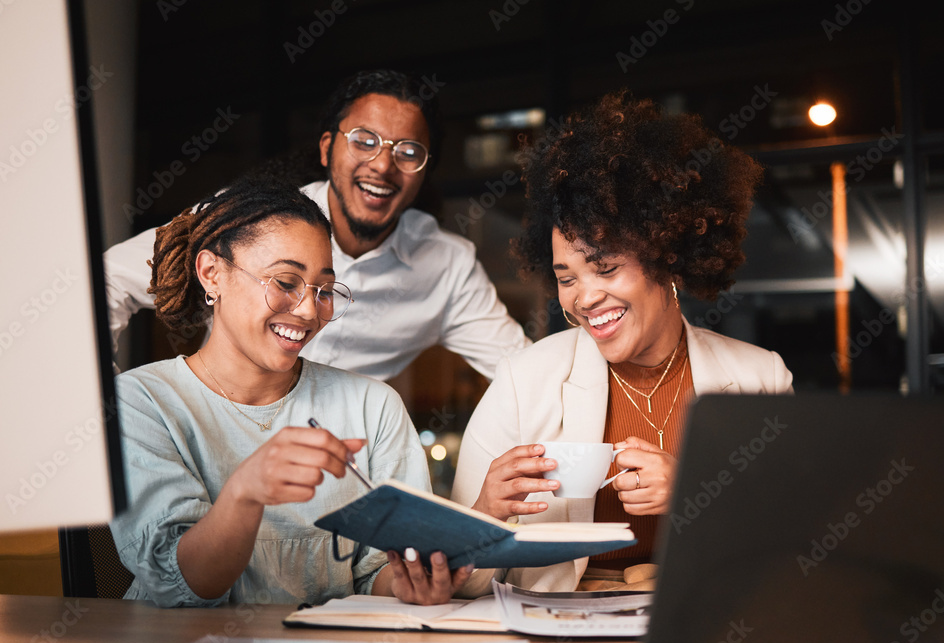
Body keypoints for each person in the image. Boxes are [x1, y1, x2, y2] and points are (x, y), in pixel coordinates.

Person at [451, 91, 793, 597]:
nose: (586, 297)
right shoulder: (525, 381)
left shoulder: (761, 378)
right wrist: (484, 515)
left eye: (606, 267)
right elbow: (458, 581)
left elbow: (798, 542)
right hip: (562, 627)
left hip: (700, 620)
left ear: (668, 255)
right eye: (566, 277)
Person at [109, 178, 473, 608]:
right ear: (212, 274)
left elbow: (376, 573)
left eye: (323, 290)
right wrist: (246, 491)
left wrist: (407, 585)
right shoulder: (140, 402)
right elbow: (183, 585)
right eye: (285, 282)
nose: (307, 310)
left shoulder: (372, 407)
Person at [104, 69, 531, 382]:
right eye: (364, 141)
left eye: (408, 152)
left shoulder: (446, 266)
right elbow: (109, 279)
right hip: (226, 445)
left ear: (423, 170)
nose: (382, 165)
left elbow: (523, 374)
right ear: (328, 148)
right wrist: (103, 406)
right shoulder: (247, 218)